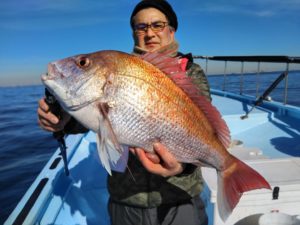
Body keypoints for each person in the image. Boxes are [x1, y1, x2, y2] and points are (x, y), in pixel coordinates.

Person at [37, 1, 211, 224]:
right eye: (141, 27)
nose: (150, 33)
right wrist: (61, 122)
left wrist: (182, 166)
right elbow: (94, 118)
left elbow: (202, 127)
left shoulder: (191, 73)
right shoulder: (118, 68)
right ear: (133, 34)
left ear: (171, 30)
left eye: (158, 25)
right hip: (126, 198)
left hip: (179, 196)